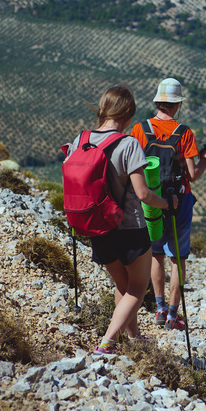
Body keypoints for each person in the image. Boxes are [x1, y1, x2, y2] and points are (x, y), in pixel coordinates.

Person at [65, 85, 176, 355]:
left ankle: (133, 336)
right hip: (129, 228)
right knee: (138, 289)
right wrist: (167, 205)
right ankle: (108, 342)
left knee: (122, 286)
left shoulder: (81, 139)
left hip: (96, 227)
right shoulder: (128, 144)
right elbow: (143, 193)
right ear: (128, 113)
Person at [131, 77, 206, 331]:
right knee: (177, 258)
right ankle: (173, 316)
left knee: (156, 255)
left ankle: (159, 309)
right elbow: (193, 175)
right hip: (179, 201)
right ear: (177, 104)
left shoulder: (139, 130)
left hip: (150, 201)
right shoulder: (184, 133)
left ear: (158, 101)